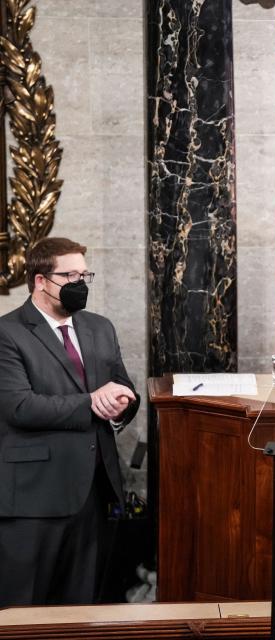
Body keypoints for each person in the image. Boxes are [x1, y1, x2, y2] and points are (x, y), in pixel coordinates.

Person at [0, 237, 140, 606]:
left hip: (93, 490)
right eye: (69, 275)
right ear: (40, 280)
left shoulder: (100, 327)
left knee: (81, 605)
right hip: (34, 497)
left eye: (84, 274)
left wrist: (123, 401)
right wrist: (91, 402)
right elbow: (19, 406)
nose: (80, 283)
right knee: (25, 606)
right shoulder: (7, 333)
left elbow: (120, 382)